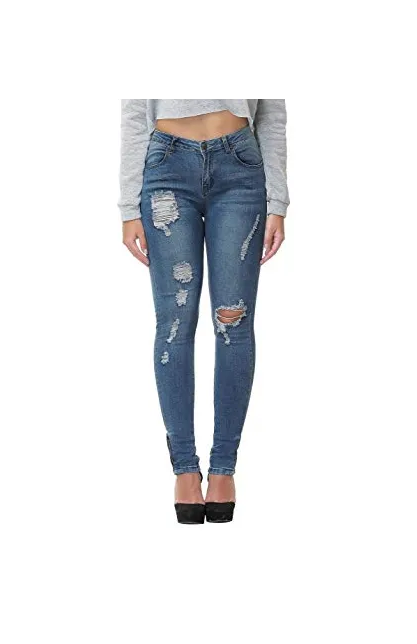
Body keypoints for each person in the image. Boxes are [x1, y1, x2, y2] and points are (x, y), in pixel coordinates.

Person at [118, 97, 290, 523]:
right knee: (175, 326)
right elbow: (134, 108)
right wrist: (128, 206)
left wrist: (278, 201)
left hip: (240, 167)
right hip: (166, 165)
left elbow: (272, 109)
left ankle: (223, 468)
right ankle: (184, 469)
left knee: (233, 322)